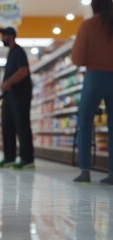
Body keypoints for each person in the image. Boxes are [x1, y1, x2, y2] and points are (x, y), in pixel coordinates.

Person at [72, 0, 113, 184]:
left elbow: (78, 58)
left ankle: (85, 171)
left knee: (85, 122)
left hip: (94, 77)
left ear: (93, 7)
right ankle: (111, 174)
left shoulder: (88, 25)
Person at [0, 27, 35, 170]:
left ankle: (27, 159)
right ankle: (9, 157)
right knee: (7, 125)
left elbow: (23, 71)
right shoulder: (11, 53)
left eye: (3, 36)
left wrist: (8, 82)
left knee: (22, 126)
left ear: (10, 36)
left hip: (20, 95)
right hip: (9, 96)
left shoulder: (18, 51)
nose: (1, 39)